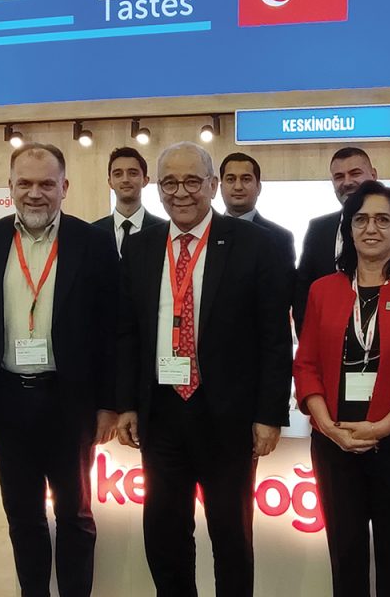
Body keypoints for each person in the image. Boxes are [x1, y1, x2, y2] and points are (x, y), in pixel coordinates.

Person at [115, 141, 293, 597]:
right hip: (162, 415)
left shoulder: (256, 245)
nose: (181, 193)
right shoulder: (140, 247)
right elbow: (128, 332)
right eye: (170, 182)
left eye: (192, 181)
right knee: (165, 534)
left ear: (212, 185)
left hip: (228, 419)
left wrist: (269, 414)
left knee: (231, 536)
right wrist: (126, 404)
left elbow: (274, 337)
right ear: (157, 188)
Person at [0, 142, 119, 597]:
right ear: (9, 187)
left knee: (75, 515)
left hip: (71, 401)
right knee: (22, 516)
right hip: (7, 400)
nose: (35, 193)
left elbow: (113, 328)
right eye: (24, 183)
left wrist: (108, 404)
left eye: (47, 183)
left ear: (65, 187)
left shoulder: (93, 242)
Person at [293, 180, 390, 597]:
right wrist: (329, 427)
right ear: (348, 229)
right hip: (335, 444)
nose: (371, 229)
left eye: (383, 220)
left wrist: (381, 427)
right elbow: (305, 364)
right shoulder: (323, 290)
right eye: (361, 220)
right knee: (345, 557)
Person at [294, 146, 377, 331]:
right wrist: (308, 338)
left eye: (355, 173)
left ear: (373, 175)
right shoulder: (318, 229)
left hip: (386, 338)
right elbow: (303, 293)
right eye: (339, 176)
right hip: (329, 339)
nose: (347, 182)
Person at [219, 151, 296, 271]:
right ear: (221, 187)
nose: (238, 187)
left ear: (258, 187)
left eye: (246, 179)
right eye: (231, 179)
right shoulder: (207, 232)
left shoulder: (279, 238)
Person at [93, 146, 166, 256]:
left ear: (145, 180)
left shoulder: (164, 231)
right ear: (110, 182)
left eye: (133, 173)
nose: (125, 179)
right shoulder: (93, 232)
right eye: (118, 174)